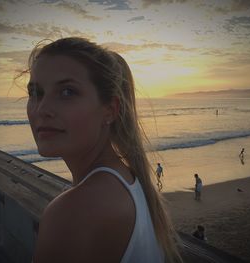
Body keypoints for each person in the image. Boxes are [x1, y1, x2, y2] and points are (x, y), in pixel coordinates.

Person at [25, 37, 182, 263]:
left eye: (67, 92)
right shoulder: (127, 179)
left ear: (110, 110)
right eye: (35, 93)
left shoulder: (73, 211)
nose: (42, 109)